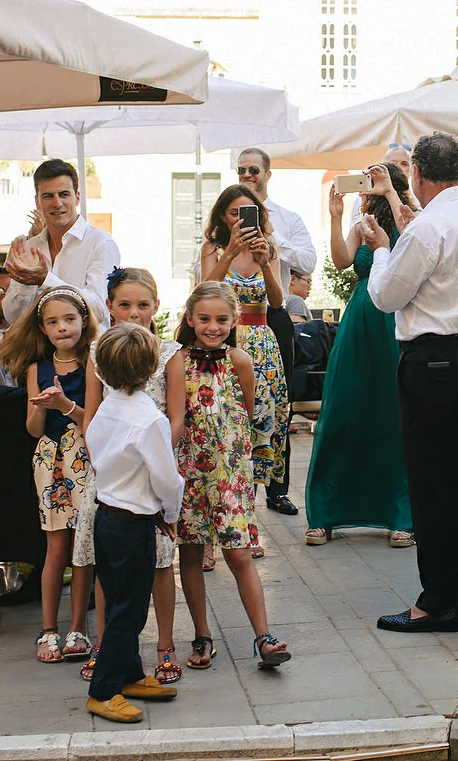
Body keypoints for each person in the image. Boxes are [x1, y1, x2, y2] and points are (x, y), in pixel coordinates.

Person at [364, 132, 458, 633]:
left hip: (435, 360)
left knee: (433, 481)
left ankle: (437, 601)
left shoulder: (428, 228)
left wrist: (383, 250)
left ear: (420, 174)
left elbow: (385, 296)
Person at [166, 282, 291, 670]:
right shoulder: (177, 360)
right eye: (204, 318)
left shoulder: (240, 360)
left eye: (221, 319)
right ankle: (202, 635)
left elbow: (246, 414)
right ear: (190, 319)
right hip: (188, 472)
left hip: (230, 473)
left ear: (234, 320)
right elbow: (175, 415)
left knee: (239, 554)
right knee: (190, 554)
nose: (213, 326)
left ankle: (264, 637)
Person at [74, 267, 184, 685]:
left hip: (141, 470)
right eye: (124, 305)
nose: (134, 312)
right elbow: (91, 416)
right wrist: (107, 460)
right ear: (109, 306)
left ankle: (161, 648)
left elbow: (175, 418)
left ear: (156, 306)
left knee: (157, 566)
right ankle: (107, 660)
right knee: (115, 579)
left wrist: (142, 455)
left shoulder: (168, 354)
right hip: (118, 481)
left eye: (143, 304)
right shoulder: (101, 353)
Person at [304, 163, 417, 548]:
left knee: (393, 412)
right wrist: (337, 218)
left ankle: (401, 515)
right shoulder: (362, 223)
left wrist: (391, 195)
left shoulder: (409, 218)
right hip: (360, 321)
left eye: (374, 180)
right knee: (343, 408)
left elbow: (411, 244)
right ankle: (325, 514)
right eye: (366, 181)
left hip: (396, 321)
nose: (366, 187)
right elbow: (340, 261)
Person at [0, 285, 99, 664]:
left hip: (84, 456)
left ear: (83, 321)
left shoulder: (93, 364)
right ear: (42, 329)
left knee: (82, 547)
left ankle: (78, 628)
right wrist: (41, 406)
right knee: (55, 547)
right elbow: (33, 428)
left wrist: (65, 404)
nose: (62, 327)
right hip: (49, 459)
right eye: (53, 322)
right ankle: (48, 628)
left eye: (69, 319)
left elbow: (95, 421)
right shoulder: (36, 370)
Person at [200, 184, 289, 555]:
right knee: (216, 432)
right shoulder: (213, 248)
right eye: (234, 212)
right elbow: (204, 292)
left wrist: (265, 262)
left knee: (255, 435)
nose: (240, 219)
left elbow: (278, 301)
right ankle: (206, 537)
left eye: (247, 212)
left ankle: (247, 527)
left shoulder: (269, 247)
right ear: (223, 216)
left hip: (262, 346)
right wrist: (230, 253)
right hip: (223, 344)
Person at [234, 147, 316, 517]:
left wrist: (272, 238)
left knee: (279, 402)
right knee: (239, 402)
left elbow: (309, 261)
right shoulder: (229, 215)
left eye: (253, 169)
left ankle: (277, 489)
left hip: (273, 313)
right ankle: (240, 485)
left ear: (268, 174)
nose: (247, 175)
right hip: (233, 318)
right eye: (241, 170)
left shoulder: (287, 219)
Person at [3, 159, 121, 330]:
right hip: (39, 346)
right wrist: (26, 282)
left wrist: (45, 280)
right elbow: (13, 317)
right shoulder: (30, 248)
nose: (57, 203)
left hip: (88, 346)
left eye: (64, 194)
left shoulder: (101, 243)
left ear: (77, 197)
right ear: (37, 201)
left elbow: (100, 309)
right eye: (48, 196)